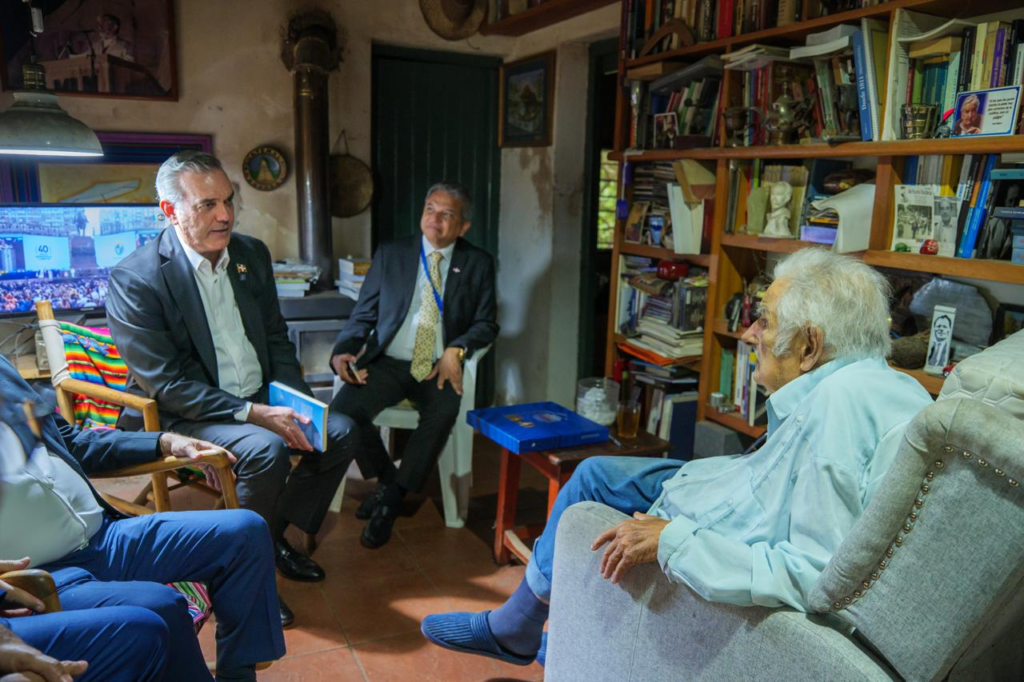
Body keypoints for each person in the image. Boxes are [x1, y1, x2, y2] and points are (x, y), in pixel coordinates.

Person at [422, 248, 934, 666]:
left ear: (809, 346)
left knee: (593, 483)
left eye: (765, 320)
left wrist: (673, 538)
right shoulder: (875, 383)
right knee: (598, 472)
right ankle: (536, 624)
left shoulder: (841, 411)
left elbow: (813, 574)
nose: (749, 334)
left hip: (732, 512)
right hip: (737, 479)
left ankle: (517, 627)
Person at [106, 151, 358, 626]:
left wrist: (296, 402)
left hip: (255, 396)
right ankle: (244, 579)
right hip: (185, 413)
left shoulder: (250, 254)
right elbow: (167, 384)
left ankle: (269, 537)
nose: (225, 215)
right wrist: (256, 414)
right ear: (170, 211)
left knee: (340, 431)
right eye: (207, 205)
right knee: (266, 449)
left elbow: (277, 338)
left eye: (228, 200)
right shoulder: (136, 279)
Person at [0, 355, 285, 681]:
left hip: (106, 535)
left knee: (245, 532)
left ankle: (237, 675)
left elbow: (72, 441)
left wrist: (164, 441)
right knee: (160, 605)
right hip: (43, 573)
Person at [330, 181, 498, 549]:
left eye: (447, 214)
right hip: (389, 361)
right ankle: (389, 480)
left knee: (442, 413)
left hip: (437, 365)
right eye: (430, 209)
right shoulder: (392, 254)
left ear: (463, 226)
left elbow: (486, 323)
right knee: (343, 411)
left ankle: (390, 502)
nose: (435, 219)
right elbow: (364, 313)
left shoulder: (478, 262)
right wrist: (343, 350)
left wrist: (457, 348)